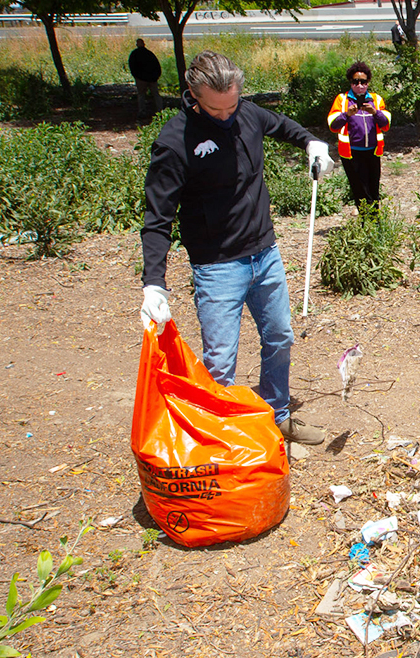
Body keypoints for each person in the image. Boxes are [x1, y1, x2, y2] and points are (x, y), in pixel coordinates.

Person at [140, 50, 336, 447]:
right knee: (220, 362)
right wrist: (153, 283)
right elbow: (157, 217)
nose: (228, 115)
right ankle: (221, 439)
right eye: (217, 109)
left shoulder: (245, 113)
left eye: (233, 104)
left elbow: (282, 125)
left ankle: (276, 418)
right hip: (216, 267)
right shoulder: (175, 141)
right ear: (194, 96)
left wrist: (313, 144)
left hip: (265, 254)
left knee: (280, 337)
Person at [327, 61, 392, 218]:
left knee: (373, 189)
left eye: (363, 82)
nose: (360, 85)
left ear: (368, 82)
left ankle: (375, 224)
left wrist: (375, 112)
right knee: (360, 190)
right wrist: (346, 115)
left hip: (373, 152)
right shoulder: (342, 100)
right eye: (356, 81)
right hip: (352, 154)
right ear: (351, 82)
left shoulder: (376, 100)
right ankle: (366, 224)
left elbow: (386, 125)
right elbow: (333, 125)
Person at [128, 39, 163, 118]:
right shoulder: (150, 54)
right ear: (144, 44)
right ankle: (160, 111)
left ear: (137, 44)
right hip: (152, 78)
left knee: (141, 95)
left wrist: (136, 76)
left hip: (141, 79)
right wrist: (156, 76)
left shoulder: (134, 54)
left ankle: (142, 112)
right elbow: (157, 65)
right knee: (156, 95)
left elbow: (132, 66)